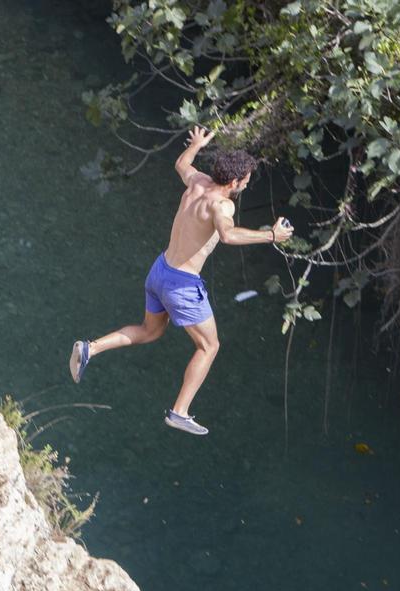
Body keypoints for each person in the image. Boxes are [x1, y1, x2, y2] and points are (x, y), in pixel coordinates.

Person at [68, 126, 294, 435]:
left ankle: (89, 348)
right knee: (210, 346)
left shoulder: (197, 181)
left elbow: (181, 164)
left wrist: (197, 145)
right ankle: (179, 411)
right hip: (183, 285)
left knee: (150, 331)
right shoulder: (222, 205)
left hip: (160, 270)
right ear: (235, 181)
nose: (247, 183)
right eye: (246, 179)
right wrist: (272, 235)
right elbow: (227, 234)